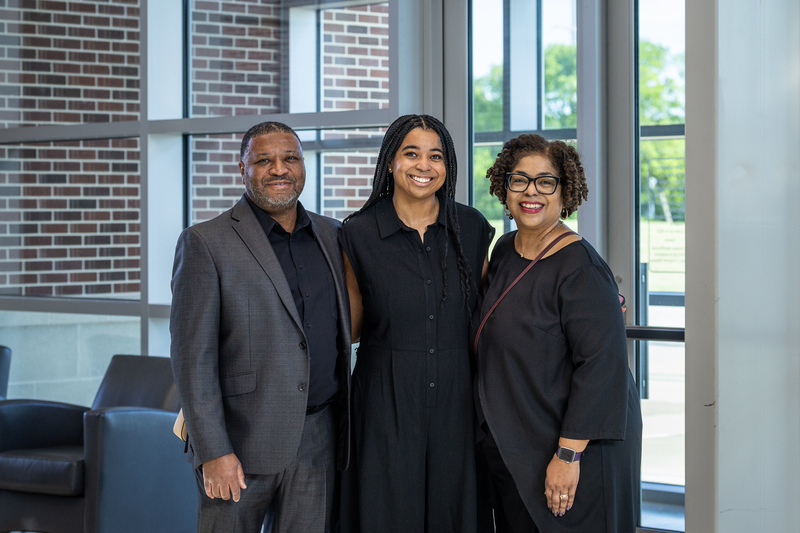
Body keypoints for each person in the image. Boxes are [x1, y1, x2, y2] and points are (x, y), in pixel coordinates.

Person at [170, 121, 351, 533]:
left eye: (290, 158)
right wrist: (213, 452)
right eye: (263, 160)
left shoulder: (332, 234)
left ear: (303, 165)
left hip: (320, 437)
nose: (278, 169)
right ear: (242, 168)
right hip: (240, 444)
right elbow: (191, 357)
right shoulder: (205, 242)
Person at [472, 133, 642, 532]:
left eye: (546, 181)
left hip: (575, 450)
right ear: (504, 187)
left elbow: (602, 368)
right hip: (520, 440)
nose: (532, 192)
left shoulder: (580, 267)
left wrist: (568, 457)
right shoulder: (504, 250)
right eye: (520, 180)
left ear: (566, 193)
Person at [340, 114, 495, 533]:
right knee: (386, 511)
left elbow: (495, 309)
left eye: (435, 155)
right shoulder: (357, 233)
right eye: (411, 153)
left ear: (448, 166)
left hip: (459, 403)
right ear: (391, 161)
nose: (424, 165)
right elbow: (351, 328)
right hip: (383, 401)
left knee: (455, 512)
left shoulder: (473, 226)